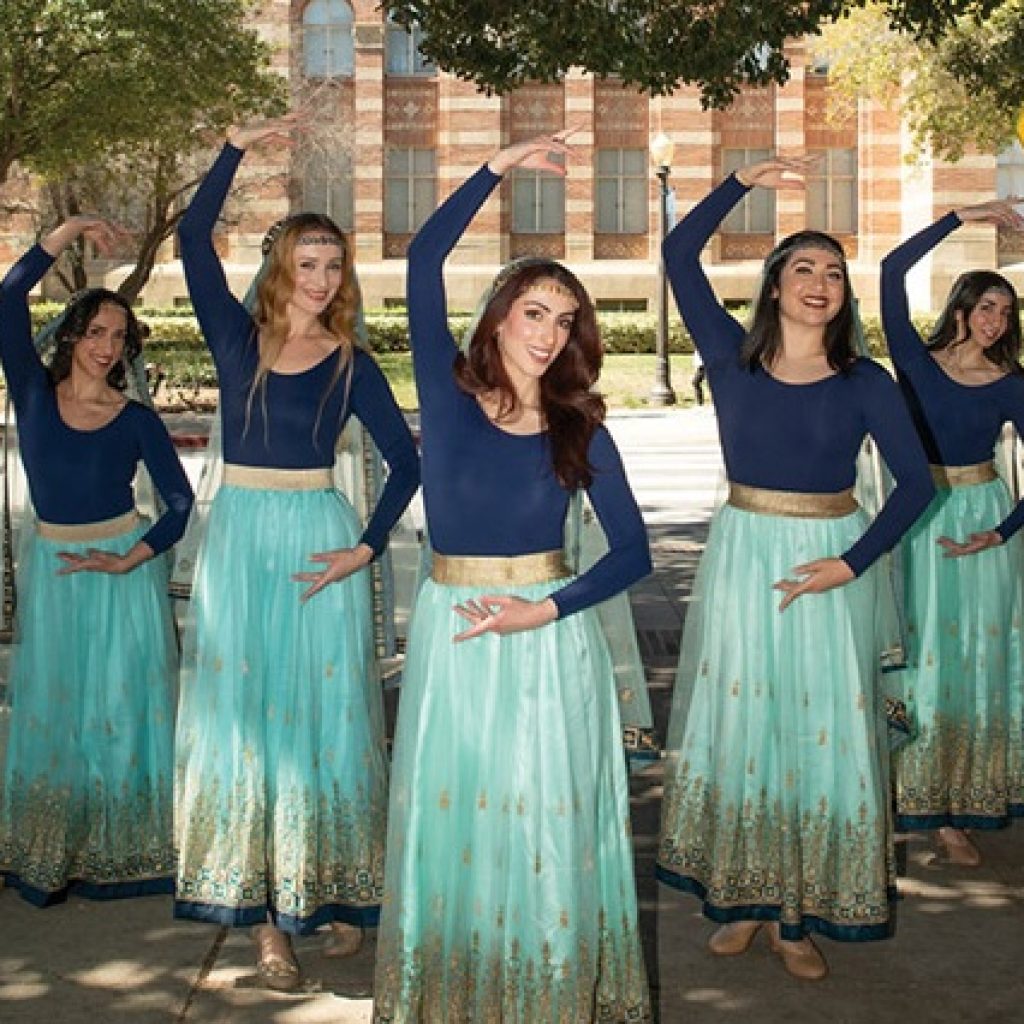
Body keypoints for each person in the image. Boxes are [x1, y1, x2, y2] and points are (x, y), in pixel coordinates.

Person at [372, 135, 652, 1022]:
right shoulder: (447, 398)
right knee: (457, 826)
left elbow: (632, 552)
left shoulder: (581, 426)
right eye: (535, 312)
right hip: (453, 638)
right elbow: (422, 259)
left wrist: (548, 609)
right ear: (498, 317)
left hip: (544, 644)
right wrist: (495, 168)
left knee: (544, 828)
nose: (550, 333)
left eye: (565, 320)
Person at [655, 156, 935, 980]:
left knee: (818, 736)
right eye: (803, 268)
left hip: (828, 566)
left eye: (835, 273)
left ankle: (796, 917)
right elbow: (678, 255)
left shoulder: (866, 381)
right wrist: (740, 179)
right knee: (744, 729)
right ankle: (742, 896)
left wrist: (849, 566)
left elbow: (916, 485)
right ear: (775, 284)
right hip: (745, 559)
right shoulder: (730, 355)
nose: (821, 282)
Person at [173, 119, 420, 990]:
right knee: (251, 727)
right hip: (242, 544)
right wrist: (234, 146)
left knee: (327, 724)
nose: (322, 280)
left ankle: (330, 887)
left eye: (334, 265)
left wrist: (363, 546)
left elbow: (409, 462)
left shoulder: (353, 362)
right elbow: (192, 240)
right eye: (307, 263)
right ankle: (269, 925)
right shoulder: (235, 343)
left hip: (321, 548)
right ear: (281, 269)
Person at [0, 216, 193, 906]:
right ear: (72, 336)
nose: (107, 348)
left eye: (119, 337)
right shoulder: (30, 392)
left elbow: (179, 505)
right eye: (96, 333)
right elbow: (7, 297)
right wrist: (68, 230)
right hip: (53, 567)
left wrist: (128, 560)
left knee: (119, 707)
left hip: (120, 573)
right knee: (54, 709)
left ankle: (125, 849)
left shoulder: (137, 419)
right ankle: (55, 849)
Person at [880, 198, 1024, 865]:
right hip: (917, 518)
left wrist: (1001, 532)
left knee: (974, 666)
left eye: (1007, 311)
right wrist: (960, 217)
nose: (996, 321)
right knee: (914, 657)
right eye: (987, 306)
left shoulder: (1011, 382)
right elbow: (889, 270)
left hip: (985, 525)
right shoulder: (913, 358)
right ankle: (901, 790)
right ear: (962, 307)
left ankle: (954, 807)